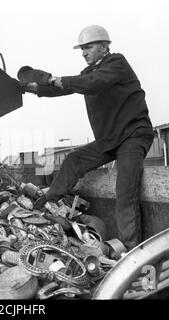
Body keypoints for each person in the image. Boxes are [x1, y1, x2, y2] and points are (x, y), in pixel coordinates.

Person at [20, 25, 154, 250]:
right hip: (110, 138)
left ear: (104, 46)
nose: (83, 53)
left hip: (133, 135)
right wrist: (34, 88)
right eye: (81, 49)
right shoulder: (89, 72)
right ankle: (49, 200)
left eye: (88, 47)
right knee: (74, 160)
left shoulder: (116, 63)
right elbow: (67, 87)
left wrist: (53, 78)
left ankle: (131, 250)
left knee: (125, 190)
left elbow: (93, 84)